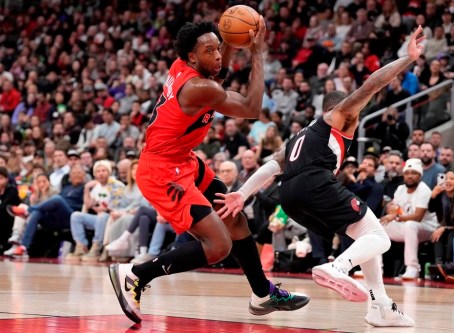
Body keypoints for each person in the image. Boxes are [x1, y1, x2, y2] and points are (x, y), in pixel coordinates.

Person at [215, 26, 428, 327]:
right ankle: (339, 267)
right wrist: (406, 59)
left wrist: (242, 193)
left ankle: (380, 305)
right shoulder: (341, 117)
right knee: (379, 237)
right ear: (340, 108)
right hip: (314, 183)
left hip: (290, 195)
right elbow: (369, 86)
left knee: (363, 235)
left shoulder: (299, 136)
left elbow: (273, 166)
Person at [108, 19, 309, 324]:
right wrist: (257, 53)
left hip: (183, 159)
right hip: (163, 173)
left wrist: (228, 38)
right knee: (218, 246)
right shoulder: (200, 88)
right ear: (191, 56)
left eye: (218, 48)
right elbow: (252, 108)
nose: (217, 56)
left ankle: (262, 293)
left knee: (234, 215)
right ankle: (136, 274)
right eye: (209, 50)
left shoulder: (187, 66)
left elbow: (220, 69)